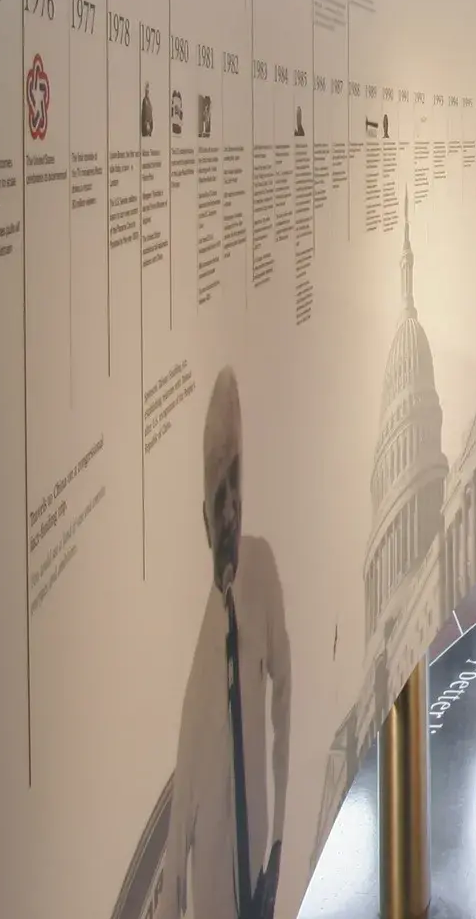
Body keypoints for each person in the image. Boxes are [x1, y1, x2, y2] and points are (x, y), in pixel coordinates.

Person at [164, 368, 291, 919]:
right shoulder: (197, 667)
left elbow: (284, 690)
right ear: (204, 520)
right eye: (220, 497)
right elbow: (175, 846)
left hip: (259, 864)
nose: (232, 509)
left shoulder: (260, 566)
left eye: (237, 485)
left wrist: (283, 836)